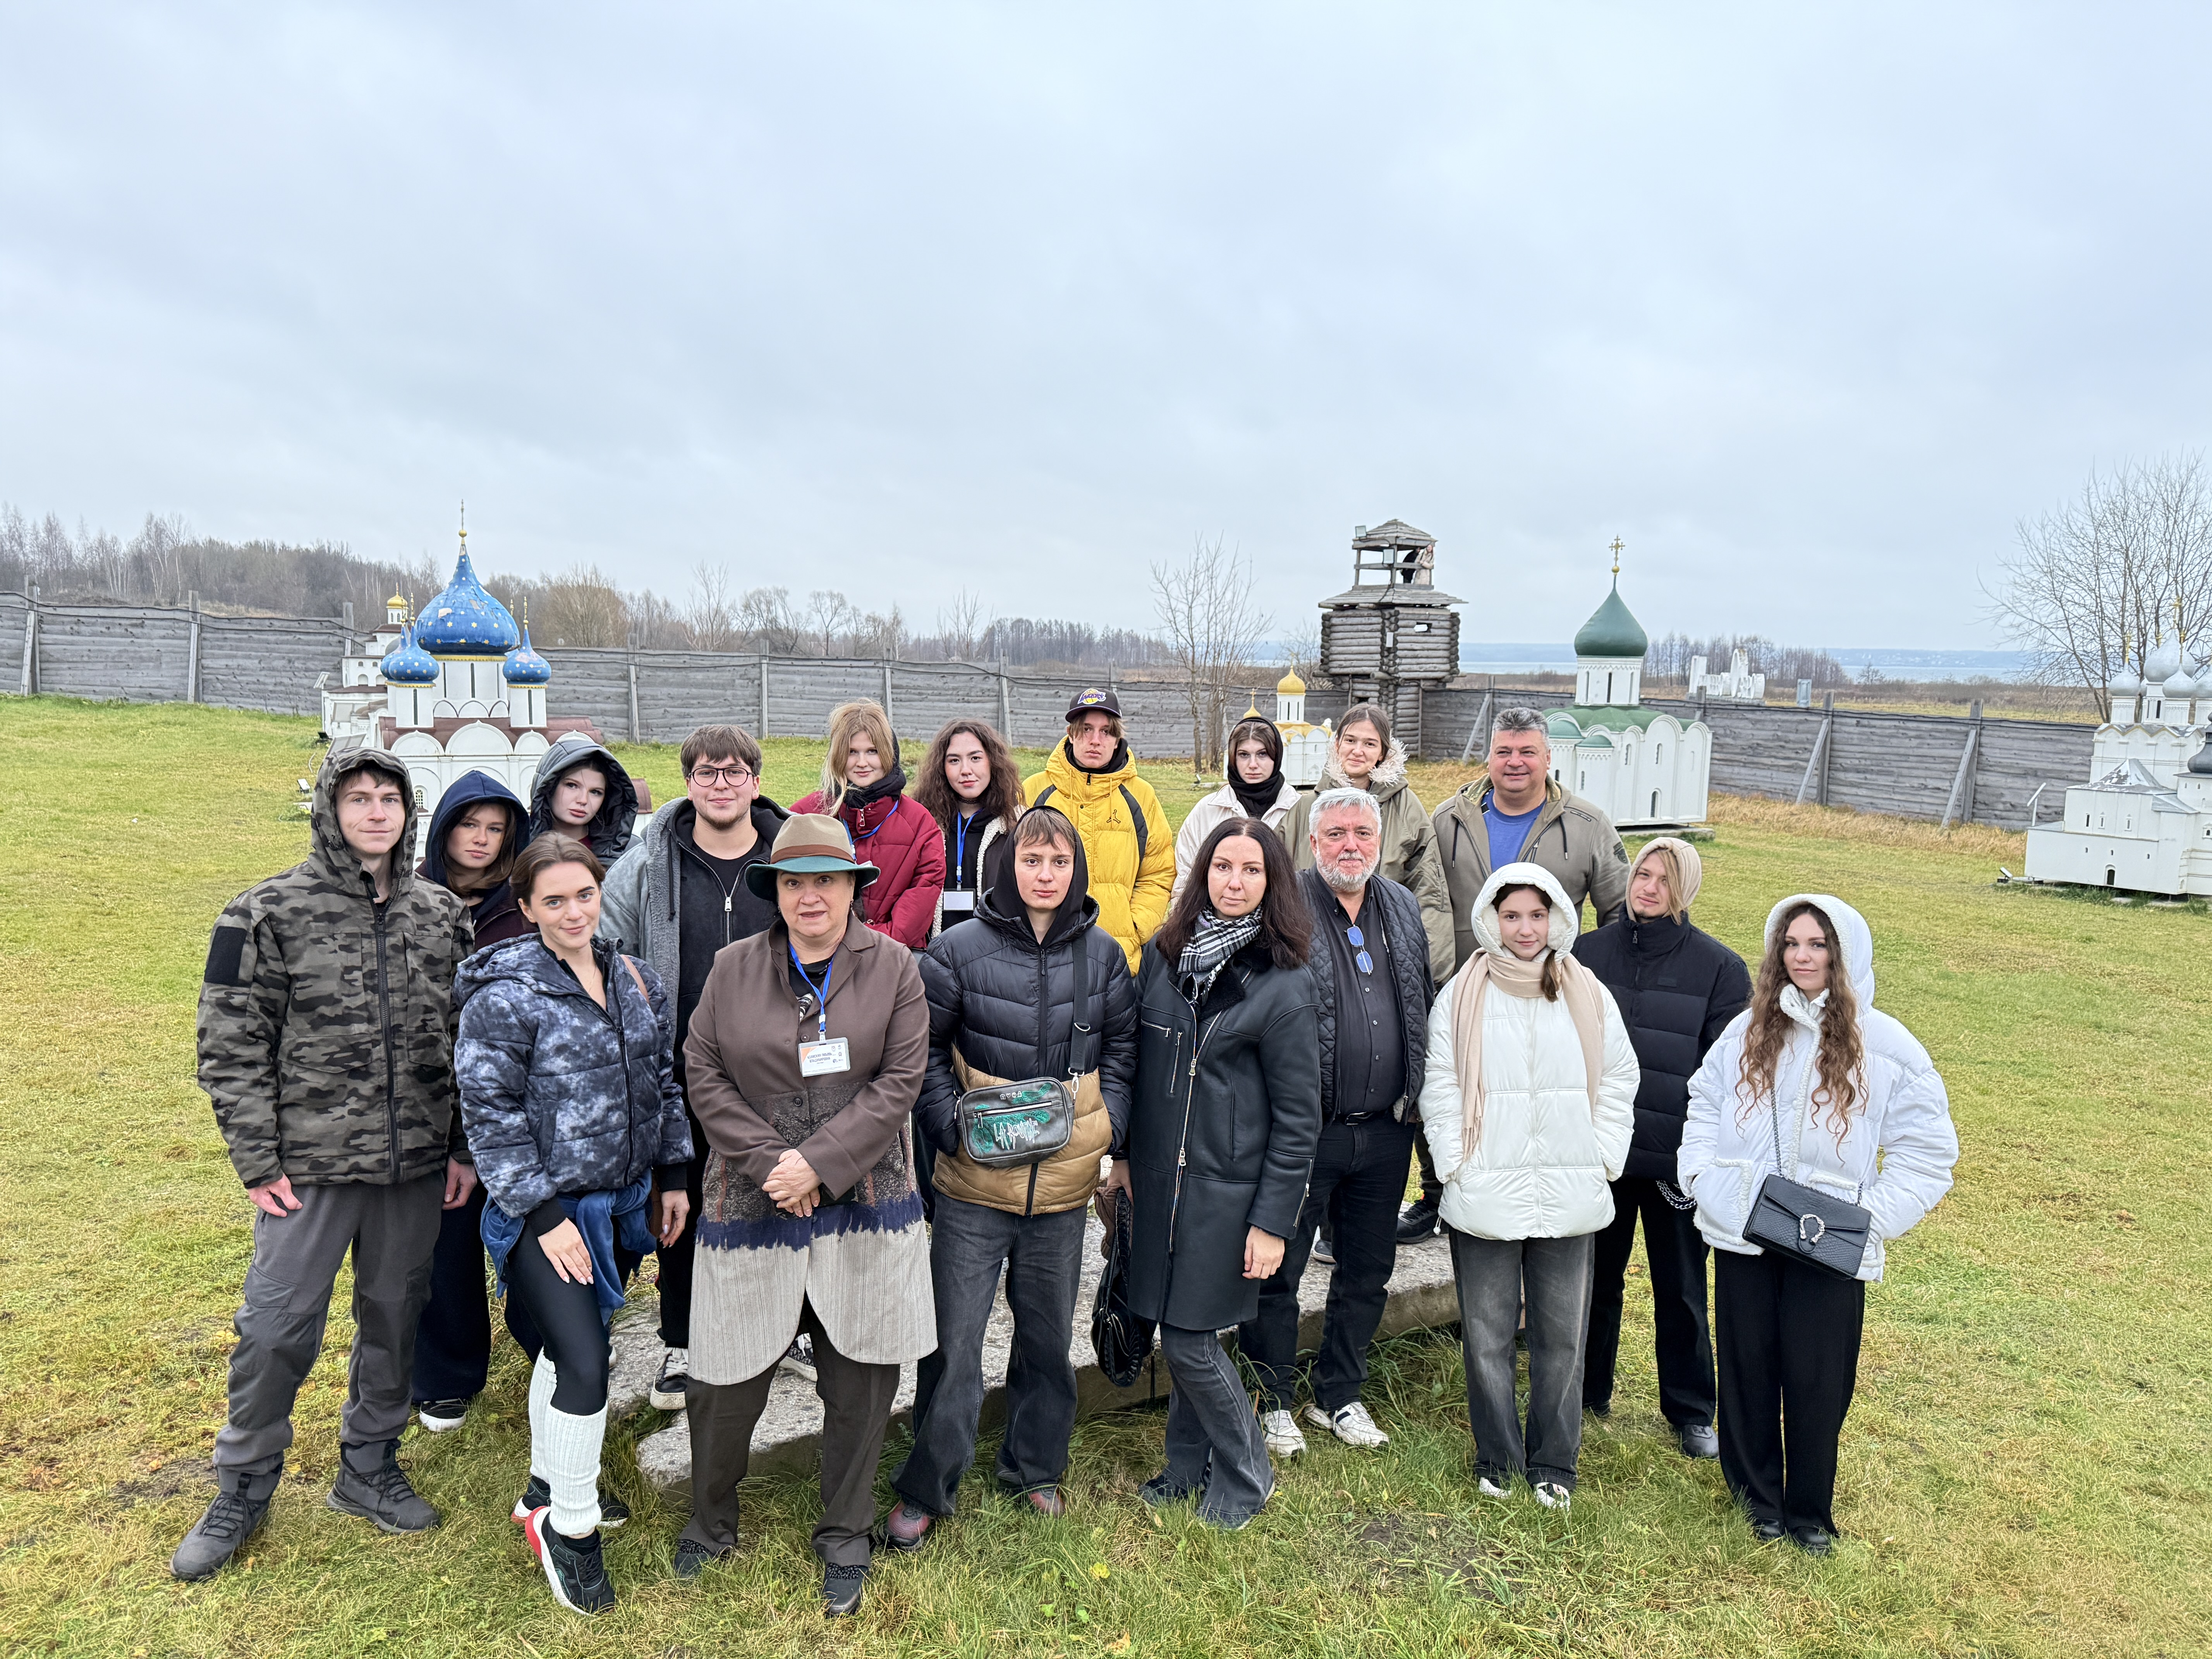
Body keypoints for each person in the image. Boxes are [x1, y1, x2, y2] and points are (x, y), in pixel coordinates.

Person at [173, 751, 476, 1582]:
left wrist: (459, 1149)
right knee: (275, 1331)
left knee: (394, 1321)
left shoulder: (443, 916)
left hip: (413, 1166)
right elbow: (228, 1045)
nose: (376, 812)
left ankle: (369, 1465)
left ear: (408, 812)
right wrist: (256, 1157)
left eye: (390, 798)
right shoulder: (263, 913)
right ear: (331, 809)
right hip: (306, 1169)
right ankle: (243, 1485)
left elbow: (468, 1045)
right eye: (359, 798)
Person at [676, 814, 935, 1617]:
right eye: (794, 881)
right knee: (724, 1378)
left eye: (827, 879)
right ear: (776, 891)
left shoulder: (895, 969)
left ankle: (845, 1533)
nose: (811, 895)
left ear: (853, 887)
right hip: (750, 1197)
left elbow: (900, 1082)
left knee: (859, 1378)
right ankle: (711, 1520)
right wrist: (773, 1166)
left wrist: (820, 1166)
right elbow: (703, 1070)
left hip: (865, 1199)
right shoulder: (731, 969)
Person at [881, 806, 1139, 1548]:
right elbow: (921, 1050)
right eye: (1032, 860)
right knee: (953, 1343)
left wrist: (1108, 1123)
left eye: (1059, 861)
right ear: (1008, 865)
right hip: (971, 1190)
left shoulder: (1104, 956)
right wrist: (947, 1124)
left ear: (1076, 868)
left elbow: (1122, 1051)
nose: (1045, 874)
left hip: (1059, 1192)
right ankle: (930, 1481)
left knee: (1046, 1339)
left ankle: (1034, 1467)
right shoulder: (956, 951)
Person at [453, 835, 692, 1617]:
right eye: (552, 901)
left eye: (582, 896)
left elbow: (662, 1081)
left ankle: (544, 1486)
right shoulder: (505, 994)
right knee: (587, 1362)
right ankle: (572, 1528)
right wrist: (545, 1215)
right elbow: (489, 1114)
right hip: (542, 1215)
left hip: (621, 1204)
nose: (572, 913)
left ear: (601, 893)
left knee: (566, 1353)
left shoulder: (635, 978)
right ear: (525, 908)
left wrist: (673, 1175)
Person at [1680, 894, 1958, 1556]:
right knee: (1747, 1366)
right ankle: (1756, 1497)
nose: (1802, 955)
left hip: (1826, 1239)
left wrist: (1870, 1219)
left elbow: (1927, 1152)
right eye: (1792, 943)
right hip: (1744, 1226)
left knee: (1816, 1376)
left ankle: (1808, 1510)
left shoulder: (1886, 1045)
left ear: (1844, 952)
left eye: (1817, 943)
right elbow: (1702, 1104)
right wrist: (1706, 1182)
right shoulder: (1746, 1030)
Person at [1115, 817, 1319, 1530]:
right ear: (1202, 873)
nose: (1235, 882)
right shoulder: (1164, 960)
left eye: (1252, 871)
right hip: (1160, 1182)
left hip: (1229, 1195)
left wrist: (1271, 1222)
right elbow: (1138, 1071)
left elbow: (1299, 1120)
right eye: (1223, 867)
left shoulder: (1285, 983)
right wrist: (1121, 1160)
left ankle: (1246, 1471)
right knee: (1178, 1324)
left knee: (1192, 1337)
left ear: (1272, 882)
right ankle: (1182, 1468)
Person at [1419, 864, 1638, 1511]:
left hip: (1569, 1189)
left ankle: (1553, 1460)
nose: (1523, 928)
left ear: (1556, 919)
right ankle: (1497, 1454)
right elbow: (1441, 1081)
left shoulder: (1586, 989)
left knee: (1561, 1336)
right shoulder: (1464, 992)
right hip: (1485, 1186)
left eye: (1535, 915)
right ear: (1491, 916)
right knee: (1486, 1334)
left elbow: (1620, 1073)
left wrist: (1602, 1155)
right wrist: (1454, 1163)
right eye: (1510, 915)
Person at [598, 724, 789, 1411]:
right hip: (682, 1066)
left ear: (755, 781)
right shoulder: (649, 863)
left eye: (734, 772)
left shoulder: (788, 850)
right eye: (707, 772)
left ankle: (784, 1327)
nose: (721, 784)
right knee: (683, 1201)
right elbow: (607, 948)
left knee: (778, 1191)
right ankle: (682, 1336)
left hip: (778, 1065)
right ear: (688, 783)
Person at [1240, 788, 1434, 1459]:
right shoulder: (1284, 903)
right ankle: (1274, 1400)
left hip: (1385, 1128)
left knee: (1366, 1270)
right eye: (1334, 832)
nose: (1349, 843)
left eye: (1361, 831)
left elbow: (1419, 997)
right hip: (1305, 1129)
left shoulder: (1402, 904)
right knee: (1280, 1269)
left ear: (1378, 840)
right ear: (1313, 841)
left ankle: (1338, 1393)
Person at [1405, 708, 1630, 1243]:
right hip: (1463, 993)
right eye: (1504, 751)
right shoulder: (1449, 820)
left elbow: (1619, 912)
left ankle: (1545, 1192)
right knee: (1448, 1091)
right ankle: (1438, 1194)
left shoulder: (1587, 824)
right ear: (1489, 756)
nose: (1515, 763)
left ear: (1548, 758)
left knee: (1536, 1101)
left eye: (1528, 752)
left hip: (1550, 997)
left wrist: (1587, 987)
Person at [1571, 837, 1750, 1459]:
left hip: (1676, 1161)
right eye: (1643, 874)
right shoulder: (1586, 954)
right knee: (1595, 1279)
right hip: (1605, 1150)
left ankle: (1693, 1408)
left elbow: (1729, 1075)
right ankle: (1585, 1389)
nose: (1648, 887)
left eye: (1664, 880)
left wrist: (1703, 1157)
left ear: (1686, 890)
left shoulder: (1720, 969)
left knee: (1680, 1287)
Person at [410, 770, 535, 1435]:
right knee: (445, 1236)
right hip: (434, 1093)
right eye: (469, 824)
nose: (482, 840)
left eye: (495, 828)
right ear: (445, 828)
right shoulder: (408, 898)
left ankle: (552, 1347)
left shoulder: (520, 904)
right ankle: (447, 1374)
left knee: (525, 1231)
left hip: (512, 1097)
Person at [1283, 702, 1454, 987]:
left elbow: (1428, 893)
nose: (1358, 751)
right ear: (1337, 745)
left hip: (1385, 953)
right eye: (1350, 741)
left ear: (1383, 754)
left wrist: (1430, 971)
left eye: (1370, 743)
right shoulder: (1306, 809)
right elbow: (1277, 881)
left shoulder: (1408, 810)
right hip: (1314, 953)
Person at [1022, 687, 1174, 975]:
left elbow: (1159, 872)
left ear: (1118, 740)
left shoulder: (1141, 797)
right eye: (1086, 729)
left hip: (1118, 959)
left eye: (1106, 731)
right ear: (1070, 733)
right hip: (1044, 956)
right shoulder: (1034, 791)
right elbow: (1012, 868)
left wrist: (1136, 926)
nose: (1095, 740)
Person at [792, 699, 945, 950]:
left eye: (872, 751)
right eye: (852, 752)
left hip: (893, 960)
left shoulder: (920, 824)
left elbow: (924, 892)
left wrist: (868, 941)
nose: (862, 763)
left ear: (889, 753)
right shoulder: (806, 815)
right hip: (819, 958)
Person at [913, 717, 1022, 942]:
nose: (966, 770)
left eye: (975, 758)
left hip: (995, 958)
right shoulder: (923, 824)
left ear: (993, 761)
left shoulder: (1017, 827)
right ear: (941, 768)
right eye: (954, 760)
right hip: (935, 957)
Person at [1172, 713, 1299, 903]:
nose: (1253, 765)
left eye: (1262, 754)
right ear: (1233, 758)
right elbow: (1185, 878)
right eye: (1244, 755)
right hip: (1216, 925)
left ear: (1277, 756)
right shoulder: (1209, 809)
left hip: (1281, 924)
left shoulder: (1297, 810)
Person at [527, 734, 641, 864]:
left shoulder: (631, 852)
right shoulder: (516, 846)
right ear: (548, 787)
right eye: (572, 785)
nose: (583, 800)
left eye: (596, 792)